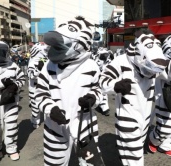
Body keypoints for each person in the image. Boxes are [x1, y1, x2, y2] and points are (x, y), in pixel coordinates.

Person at [99, 29, 171, 166]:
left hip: (145, 118)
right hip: (127, 116)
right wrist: (116, 85)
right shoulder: (121, 61)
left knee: (136, 149)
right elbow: (103, 81)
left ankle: (125, 155)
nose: (152, 73)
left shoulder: (155, 62)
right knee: (135, 159)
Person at [34, 16, 103, 165]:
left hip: (84, 122)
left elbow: (98, 89)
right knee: (54, 162)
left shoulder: (91, 66)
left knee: (89, 162)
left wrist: (92, 98)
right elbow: (40, 93)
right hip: (55, 123)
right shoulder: (48, 66)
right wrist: (50, 109)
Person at [27, 42, 48, 128]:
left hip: (45, 87)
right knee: (35, 106)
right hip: (34, 88)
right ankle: (35, 121)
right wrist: (38, 69)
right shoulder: (32, 62)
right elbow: (30, 75)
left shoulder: (46, 61)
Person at [92, 47, 113, 116]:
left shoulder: (108, 61)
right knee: (101, 92)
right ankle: (104, 108)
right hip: (98, 78)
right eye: (104, 55)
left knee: (103, 92)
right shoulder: (97, 61)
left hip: (105, 78)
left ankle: (104, 108)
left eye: (106, 54)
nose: (105, 56)